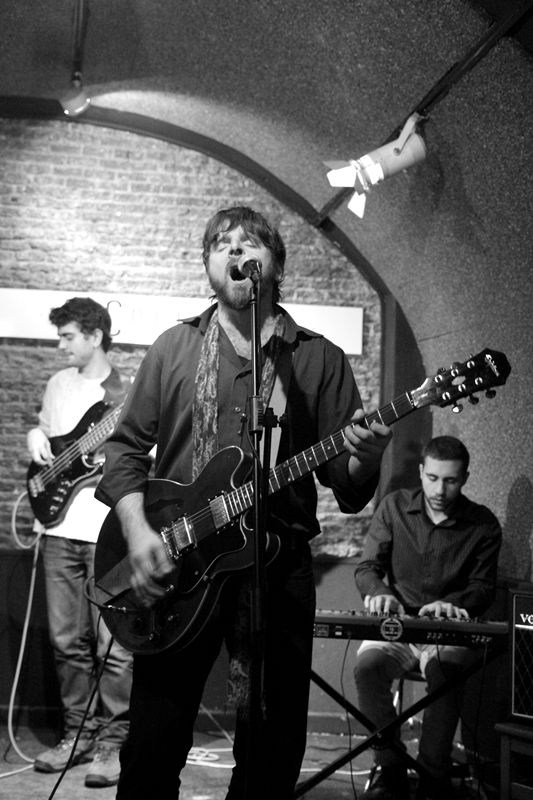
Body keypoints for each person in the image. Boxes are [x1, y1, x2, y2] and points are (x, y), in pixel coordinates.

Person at [94, 204, 392, 799]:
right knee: (153, 741)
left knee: (271, 749)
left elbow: (346, 480)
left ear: (275, 264)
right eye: (221, 244)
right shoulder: (174, 347)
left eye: (251, 242)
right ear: (208, 265)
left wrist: (369, 452)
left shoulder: (317, 358)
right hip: (179, 561)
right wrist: (138, 530)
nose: (235, 251)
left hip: (276, 568)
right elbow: (124, 449)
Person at [353, 435, 502, 800]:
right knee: (366, 669)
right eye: (433, 478)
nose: (439, 489)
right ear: (421, 472)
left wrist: (453, 603)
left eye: (450, 481)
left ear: (464, 478)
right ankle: (390, 768)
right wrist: (379, 592)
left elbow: (483, 588)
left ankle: (432, 775)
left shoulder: (483, 524)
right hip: (398, 626)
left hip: (447, 631)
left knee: (446, 672)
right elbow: (367, 568)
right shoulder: (394, 507)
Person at [27, 297, 133, 788]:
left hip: (105, 534)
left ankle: (113, 742)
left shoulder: (127, 393)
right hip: (57, 532)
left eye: (68, 336)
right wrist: (35, 434)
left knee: (114, 646)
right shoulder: (58, 384)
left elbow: (144, 457)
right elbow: (52, 440)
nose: (60, 345)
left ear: (95, 336)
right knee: (66, 641)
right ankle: (78, 734)